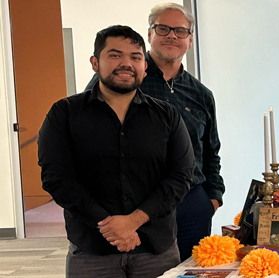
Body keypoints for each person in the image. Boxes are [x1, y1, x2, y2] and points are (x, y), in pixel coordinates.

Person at [39, 25, 195, 277]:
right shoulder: (64, 114)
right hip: (92, 249)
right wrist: (110, 226)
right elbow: (57, 178)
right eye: (114, 55)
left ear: (144, 66)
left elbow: (181, 176)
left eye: (135, 57)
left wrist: (133, 221)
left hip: (156, 250)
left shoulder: (167, 116)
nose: (126, 64)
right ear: (94, 62)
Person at [86, 3, 225, 261]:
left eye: (180, 31)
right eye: (163, 28)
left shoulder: (201, 95)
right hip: (135, 203)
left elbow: (211, 150)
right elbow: (91, 133)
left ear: (190, 40)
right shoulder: (122, 77)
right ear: (149, 35)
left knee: (190, 272)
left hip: (191, 202)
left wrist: (212, 198)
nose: (172, 35)